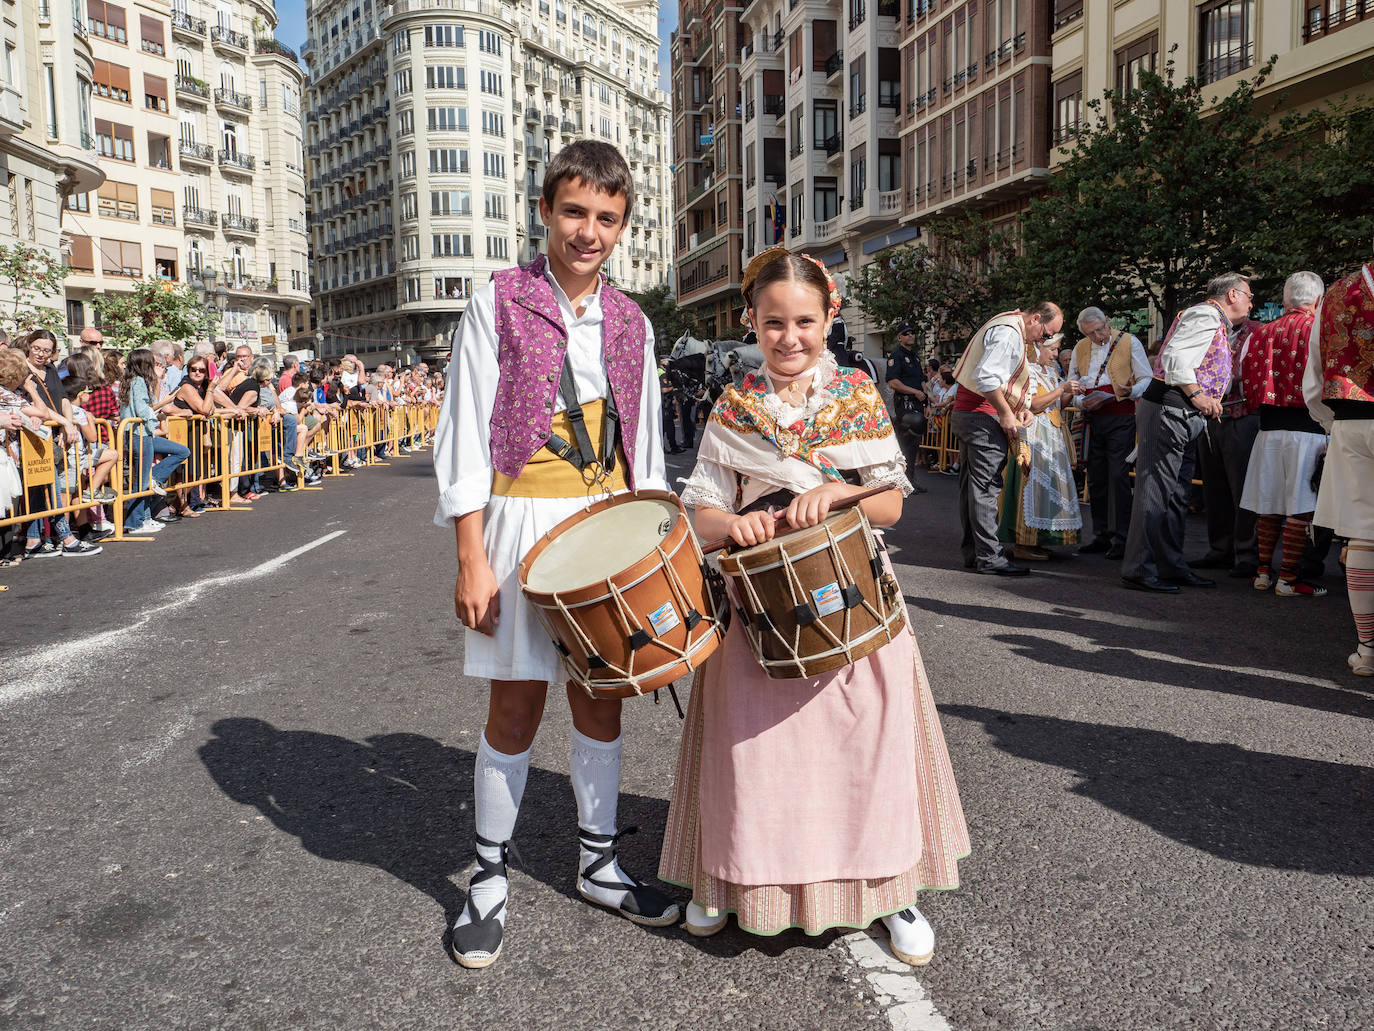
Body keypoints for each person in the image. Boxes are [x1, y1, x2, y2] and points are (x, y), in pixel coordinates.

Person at [660, 246, 970, 963]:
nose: (790, 337)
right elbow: (700, 511)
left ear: (829, 316)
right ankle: (729, 878)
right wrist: (734, 524)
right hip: (758, 606)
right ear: (752, 323)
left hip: (853, 594)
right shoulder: (733, 406)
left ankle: (890, 890)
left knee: (867, 748)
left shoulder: (858, 395)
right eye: (774, 324)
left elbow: (891, 502)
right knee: (752, 752)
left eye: (804, 321)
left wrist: (845, 491)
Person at [432, 139, 678, 970]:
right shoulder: (497, 301)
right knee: (513, 707)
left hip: (605, 523)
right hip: (517, 515)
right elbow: (464, 430)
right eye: (575, 212)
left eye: (607, 218)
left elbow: (644, 442)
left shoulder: (633, 319)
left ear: (623, 226)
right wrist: (472, 554)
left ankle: (600, 864)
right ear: (544, 211)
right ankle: (490, 876)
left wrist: (655, 544)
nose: (589, 232)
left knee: (601, 700)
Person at [1121, 273, 1254, 592]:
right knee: (1155, 490)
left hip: (1180, 410)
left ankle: (1169, 564)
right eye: (1249, 295)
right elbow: (1175, 358)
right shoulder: (1206, 314)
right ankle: (1139, 567)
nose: (1252, 302)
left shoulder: (1214, 319)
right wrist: (1198, 394)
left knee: (1175, 494)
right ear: (1232, 295)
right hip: (1171, 408)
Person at [951, 302, 1064, 576]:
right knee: (986, 488)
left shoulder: (1007, 323)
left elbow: (995, 379)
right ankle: (990, 558)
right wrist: (1006, 413)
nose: (1044, 339)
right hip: (982, 416)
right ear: (1035, 318)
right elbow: (987, 377)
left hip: (971, 412)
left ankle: (976, 553)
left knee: (974, 487)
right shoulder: (1009, 332)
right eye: (1046, 333)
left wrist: (1017, 409)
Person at [1236, 271, 1328, 597]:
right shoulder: (1320, 330)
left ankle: (1263, 572)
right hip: (1310, 428)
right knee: (1300, 507)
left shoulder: (1259, 334)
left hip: (1269, 429)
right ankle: (1289, 578)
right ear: (1317, 300)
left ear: (1286, 300)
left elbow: (1244, 377)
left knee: (1270, 502)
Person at [1304, 253, 1374, 676]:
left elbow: (1314, 374)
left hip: (1352, 420)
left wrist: (1331, 422)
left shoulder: (1336, 290)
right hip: (1351, 419)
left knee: (1365, 535)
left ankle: (1368, 648)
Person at [1069, 307, 1152, 559]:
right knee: (1096, 476)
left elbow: (1146, 379)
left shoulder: (1129, 341)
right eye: (1090, 334)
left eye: (1100, 330)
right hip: (1093, 417)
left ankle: (1121, 536)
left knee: (1117, 475)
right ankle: (1101, 533)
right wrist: (1082, 402)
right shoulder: (1080, 347)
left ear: (1107, 320)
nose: (1098, 337)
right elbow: (1072, 380)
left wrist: (1122, 393)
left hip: (1121, 417)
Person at [997, 331, 1083, 560]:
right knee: (1032, 487)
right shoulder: (1027, 371)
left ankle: (1039, 539)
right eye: (1052, 349)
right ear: (1038, 348)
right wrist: (1061, 390)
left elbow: (1056, 405)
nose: (1055, 354)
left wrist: (1068, 394)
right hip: (1034, 433)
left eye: (1056, 349)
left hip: (1052, 433)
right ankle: (1023, 543)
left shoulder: (1051, 371)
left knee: (1049, 489)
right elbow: (1033, 405)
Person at [1193, 312, 1264, 578]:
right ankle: (1220, 549)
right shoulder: (1209, 330)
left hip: (1241, 414)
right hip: (1210, 415)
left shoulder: (1256, 331)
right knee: (1215, 487)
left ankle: (1246, 552)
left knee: (1242, 488)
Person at [119, 348, 190, 535]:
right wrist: (159, 409)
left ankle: (146, 510)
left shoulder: (134, 380)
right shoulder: (138, 381)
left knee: (182, 452)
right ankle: (134, 522)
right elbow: (143, 410)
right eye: (151, 362)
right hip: (139, 434)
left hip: (143, 433)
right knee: (141, 483)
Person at [885, 322, 930, 492]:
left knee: (914, 445)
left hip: (918, 403)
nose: (911, 335)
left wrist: (927, 403)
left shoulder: (915, 357)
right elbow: (893, 382)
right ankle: (900, 482)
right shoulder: (896, 357)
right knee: (905, 443)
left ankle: (910, 480)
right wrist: (915, 392)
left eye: (912, 332)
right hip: (905, 403)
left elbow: (922, 382)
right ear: (900, 337)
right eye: (906, 333)